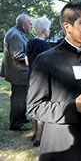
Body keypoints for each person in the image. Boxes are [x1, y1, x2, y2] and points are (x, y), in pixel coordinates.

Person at [27, 2, 81, 161]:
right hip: (59, 144)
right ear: (68, 26)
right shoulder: (46, 60)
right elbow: (35, 106)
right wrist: (73, 107)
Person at [0, 14, 32, 131]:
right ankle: (16, 124)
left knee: (21, 97)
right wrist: (32, 58)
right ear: (23, 25)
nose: (31, 27)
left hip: (17, 72)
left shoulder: (17, 32)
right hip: (18, 73)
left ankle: (22, 117)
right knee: (18, 98)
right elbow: (18, 55)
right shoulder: (15, 35)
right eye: (30, 24)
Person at [25, 17, 51, 146]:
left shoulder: (30, 42)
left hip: (31, 77)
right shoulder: (45, 45)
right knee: (42, 109)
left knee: (33, 107)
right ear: (45, 30)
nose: (50, 31)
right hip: (42, 80)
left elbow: (27, 60)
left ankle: (34, 133)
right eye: (49, 28)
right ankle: (39, 138)